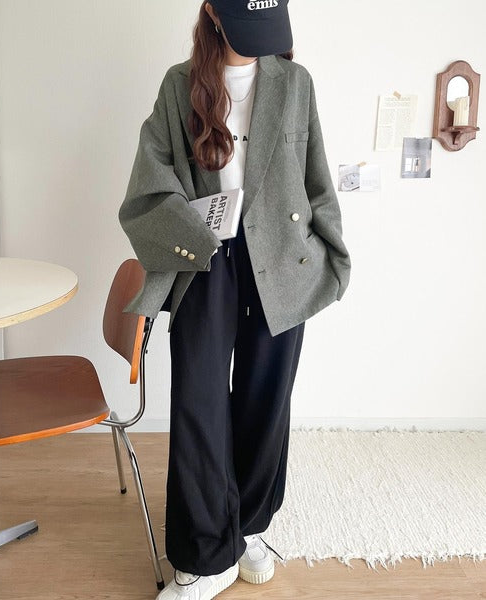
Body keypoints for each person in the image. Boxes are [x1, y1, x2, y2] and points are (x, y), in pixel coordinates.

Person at [118, 1, 351, 598]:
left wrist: (331, 255)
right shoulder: (180, 84)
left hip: (283, 258)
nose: (260, 42)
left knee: (265, 398)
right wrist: (195, 231)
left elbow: (317, 177)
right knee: (198, 400)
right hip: (204, 255)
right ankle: (203, 553)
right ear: (213, 14)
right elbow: (150, 183)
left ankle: (246, 528)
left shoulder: (295, 82)